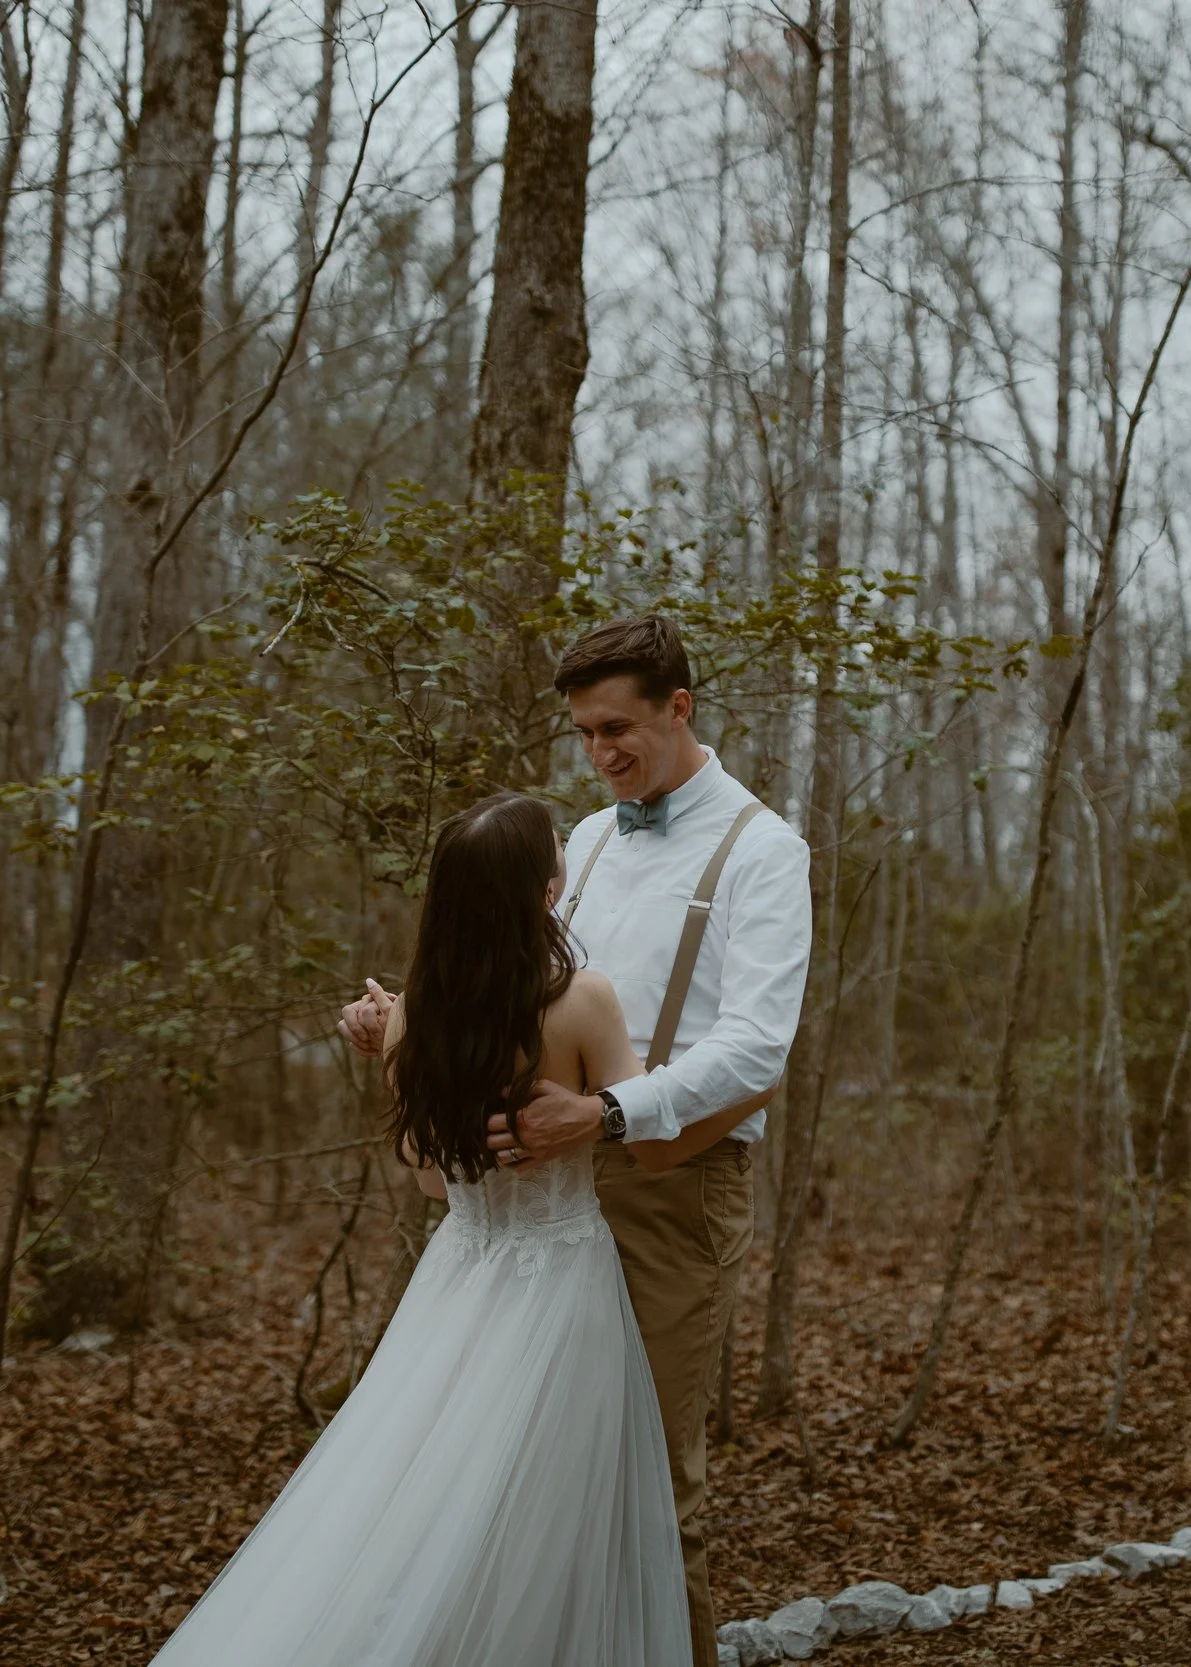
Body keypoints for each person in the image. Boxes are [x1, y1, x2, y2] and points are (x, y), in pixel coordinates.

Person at [155, 792, 753, 1666]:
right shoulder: (584, 1001)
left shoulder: (408, 1015)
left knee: (431, 1487)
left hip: (459, 1278)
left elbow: (432, 1177)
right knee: (563, 1504)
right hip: (568, 1283)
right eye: (558, 857)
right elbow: (648, 1137)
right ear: (543, 893)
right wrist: (740, 1085)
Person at [341, 614, 814, 1655]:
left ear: (678, 707)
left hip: (667, 1182)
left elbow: (754, 1046)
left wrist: (606, 1112)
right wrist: (410, 1025)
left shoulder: (764, 850)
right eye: (584, 735)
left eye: (617, 730)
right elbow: (524, 987)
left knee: (643, 1473)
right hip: (530, 1199)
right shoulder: (590, 837)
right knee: (512, 1475)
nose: (599, 756)